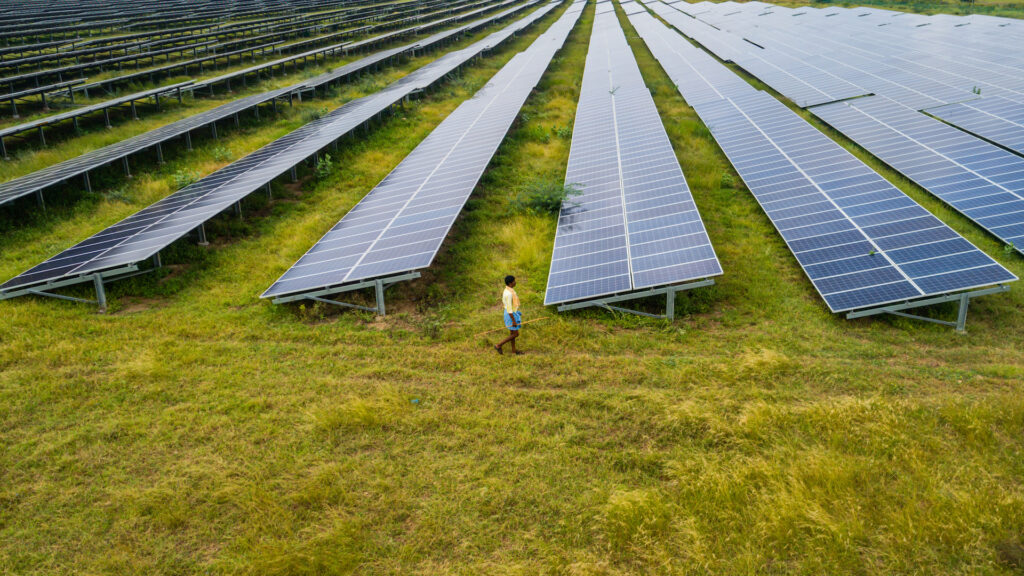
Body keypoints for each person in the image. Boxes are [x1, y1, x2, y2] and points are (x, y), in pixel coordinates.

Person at [495, 275, 523, 355]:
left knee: (512, 334)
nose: (515, 282)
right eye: (514, 281)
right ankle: (498, 345)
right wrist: (513, 320)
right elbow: (509, 309)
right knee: (515, 334)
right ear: (510, 283)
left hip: (511, 313)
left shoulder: (509, 290)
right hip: (510, 315)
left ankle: (514, 351)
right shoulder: (509, 294)